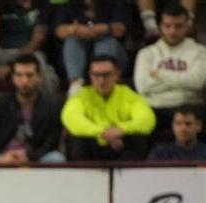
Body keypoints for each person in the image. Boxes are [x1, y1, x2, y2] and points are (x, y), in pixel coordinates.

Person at [0, 54, 66, 163]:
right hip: (3, 158)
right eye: (19, 75)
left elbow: (51, 143)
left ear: (39, 77)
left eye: (29, 75)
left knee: (56, 158)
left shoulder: (51, 105)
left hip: (34, 159)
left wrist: (29, 156)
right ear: (13, 78)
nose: (24, 81)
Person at [62, 54, 157, 160]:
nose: (101, 80)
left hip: (121, 144)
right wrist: (102, 132)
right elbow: (71, 119)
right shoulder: (81, 96)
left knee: (138, 138)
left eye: (106, 75)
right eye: (96, 75)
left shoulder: (128, 94)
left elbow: (147, 119)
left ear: (117, 75)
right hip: (93, 145)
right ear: (90, 75)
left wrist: (121, 130)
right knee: (78, 139)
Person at [134, 4, 206, 138]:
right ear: (160, 26)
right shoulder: (146, 54)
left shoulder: (200, 51)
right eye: (167, 26)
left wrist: (159, 74)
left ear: (187, 26)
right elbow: (143, 86)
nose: (172, 31)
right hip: (155, 107)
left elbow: (197, 82)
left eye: (178, 26)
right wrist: (183, 80)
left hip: (190, 106)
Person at [51, 0, 129, 92]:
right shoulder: (67, 6)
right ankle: (75, 86)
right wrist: (74, 29)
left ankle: (106, 80)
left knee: (107, 41)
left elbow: (121, 30)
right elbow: (59, 31)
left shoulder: (114, 4)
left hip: (113, 54)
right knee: (72, 41)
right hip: (80, 56)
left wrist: (103, 29)